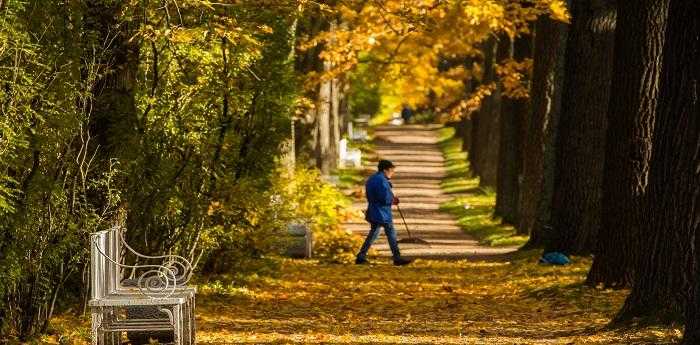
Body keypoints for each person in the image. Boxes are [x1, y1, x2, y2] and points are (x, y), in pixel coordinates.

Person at [355, 159, 413, 266]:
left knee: (376, 234)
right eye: (391, 170)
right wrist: (392, 200)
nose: (393, 173)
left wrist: (390, 198)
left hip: (375, 211)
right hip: (381, 213)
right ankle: (397, 257)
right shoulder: (381, 180)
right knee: (390, 234)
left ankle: (361, 256)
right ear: (385, 170)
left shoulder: (374, 179)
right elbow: (383, 197)